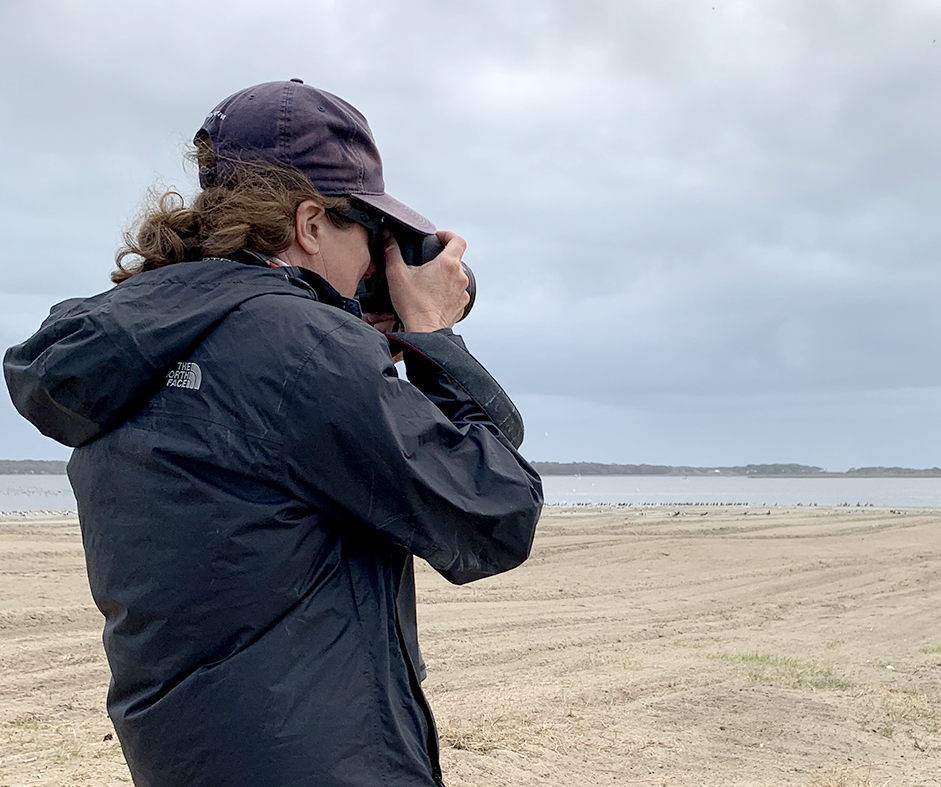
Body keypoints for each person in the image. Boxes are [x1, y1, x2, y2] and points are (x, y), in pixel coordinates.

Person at [3, 80, 542, 786]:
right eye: (369, 235)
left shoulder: (135, 340)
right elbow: (494, 513)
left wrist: (364, 344)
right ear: (312, 225)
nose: (374, 265)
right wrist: (434, 338)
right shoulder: (301, 348)